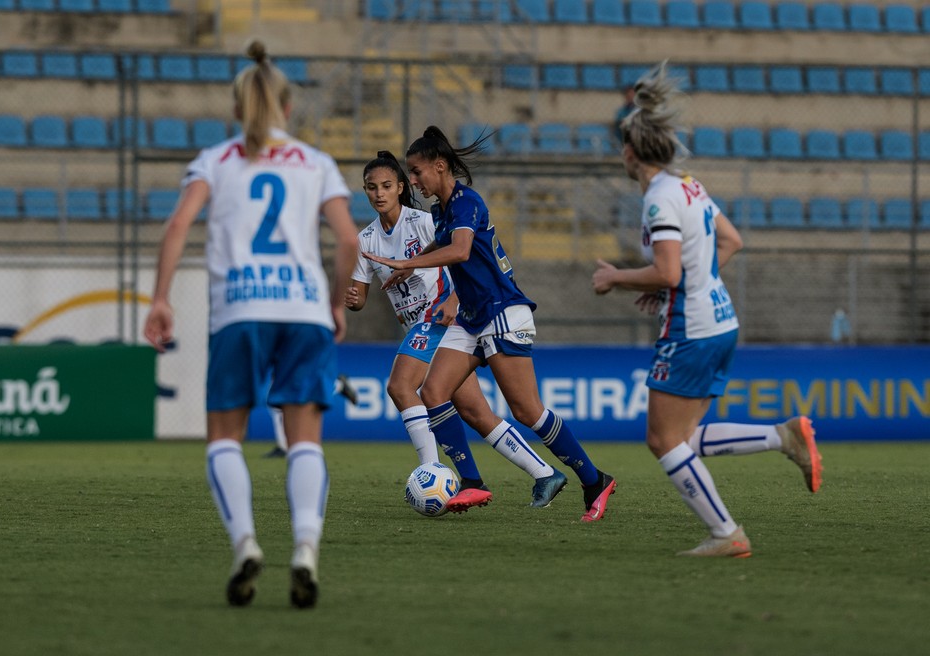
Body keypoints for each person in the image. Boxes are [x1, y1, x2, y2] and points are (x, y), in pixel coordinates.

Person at [143, 40, 358, 608]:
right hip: (304, 311)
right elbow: (349, 240)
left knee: (224, 438)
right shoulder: (317, 163)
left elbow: (177, 225)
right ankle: (306, 549)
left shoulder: (216, 160)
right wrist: (335, 303)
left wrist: (160, 299)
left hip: (239, 310)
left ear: (237, 111)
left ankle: (245, 543)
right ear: (287, 109)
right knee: (305, 438)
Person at [591, 61, 822, 557]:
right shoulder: (690, 186)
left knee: (662, 439)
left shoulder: (658, 199)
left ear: (630, 152)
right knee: (684, 438)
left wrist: (617, 277)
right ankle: (784, 437)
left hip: (691, 329)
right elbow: (731, 240)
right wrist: (684, 282)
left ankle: (726, 534)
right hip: (720, 320)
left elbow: (670, 273)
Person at [361, 128, 617, 523]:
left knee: (527, 410)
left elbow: (461, 250)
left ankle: (594, 479)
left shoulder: (467, 202)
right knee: (433, 391)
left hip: (501, 311)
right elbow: (440, 244)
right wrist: (401, 271)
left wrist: (407, 263)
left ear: (439, 166)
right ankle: (470, 481)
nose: (413, 181)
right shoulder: (440, 211)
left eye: (416, 172)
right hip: (471, 318)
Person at [346, 150, 567, 512]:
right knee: (476, 413)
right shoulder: (366, 240)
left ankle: (431, 470)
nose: (378, 193)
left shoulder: (420, 222)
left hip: (439, 314)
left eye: (386, 185)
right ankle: (544, 472)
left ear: (401, 187)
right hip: (420, 324)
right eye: (371, 188)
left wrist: (454, 299)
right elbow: (360, 297)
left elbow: (459, 255)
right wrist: (353, 299)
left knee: (401, 386)